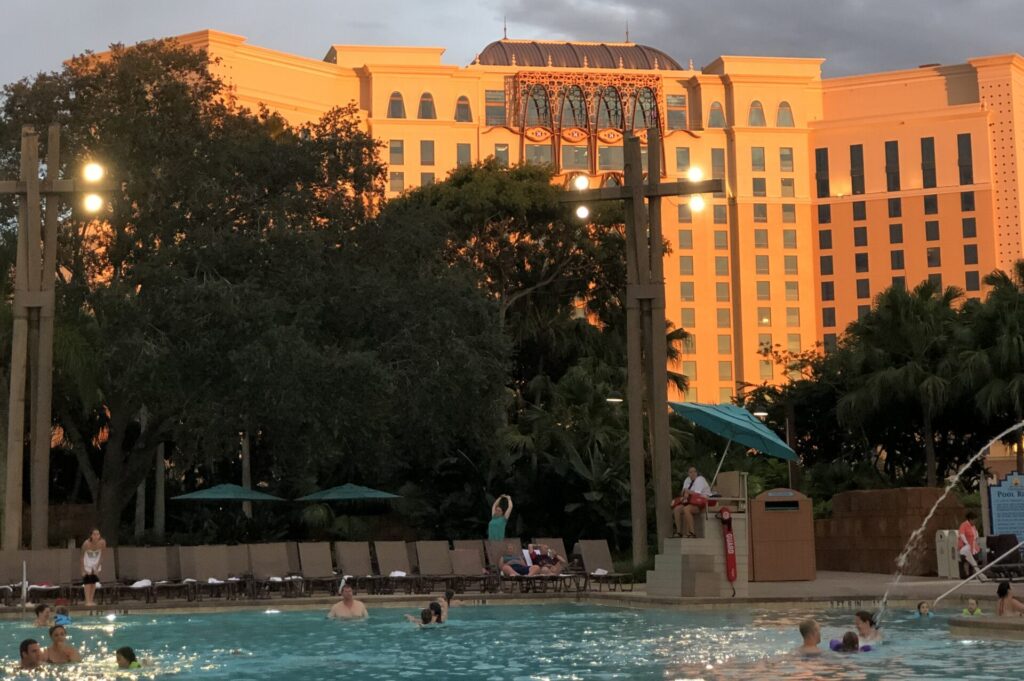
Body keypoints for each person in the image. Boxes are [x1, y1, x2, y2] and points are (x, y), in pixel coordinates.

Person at [672, 467, 712, 538]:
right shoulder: (687, 479)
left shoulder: (700, 479)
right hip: (691, 502)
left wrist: (687, 491)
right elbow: (682, 492)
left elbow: (697, 494)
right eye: (691, 472)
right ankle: (678, 532)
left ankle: (692, 532)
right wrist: (685, 492)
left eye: (694, 472)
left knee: (686, 509)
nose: (693, 473)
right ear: (688, 473)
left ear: (697, 473)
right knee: (676, 509)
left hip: (702, 502)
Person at [957, 510, 987, 581]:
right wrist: (966, 543)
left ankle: (973, 574)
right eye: (974, 520)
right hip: (965, 547)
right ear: (970, 519)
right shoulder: (964, 525)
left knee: (974, 560)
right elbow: (962, 535)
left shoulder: (973, 526)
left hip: (973, 547)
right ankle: (966, 575)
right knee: (966, 561)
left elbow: (975, 534)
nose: (975, 522)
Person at [81, 528, 106, 607]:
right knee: (87, 582)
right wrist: (83, 569)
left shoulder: (102, 543)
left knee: (93, 582)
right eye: (94, 534)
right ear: (91, 535)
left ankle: (91, 600)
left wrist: (98, 566)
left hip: (96, 562)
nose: (96, 536)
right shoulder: (86, 543)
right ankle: (87, 601)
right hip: (87, 562)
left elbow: (102, 555)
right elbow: (81, 557)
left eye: (98, 534)